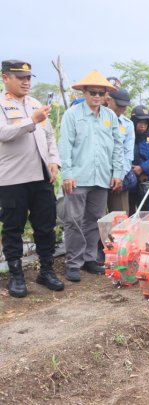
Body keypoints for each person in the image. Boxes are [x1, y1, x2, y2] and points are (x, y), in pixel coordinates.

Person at [0, 60, 65, 297]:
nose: (26, 82)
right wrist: (32, 121)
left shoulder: (36, 104)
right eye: (20, 77)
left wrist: (54, 161)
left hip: (41, 176)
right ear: (5, 77)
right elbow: (4, 134)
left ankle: (46, 270)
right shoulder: (1, 104)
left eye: (28, 78)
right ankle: (16, 275)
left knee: (45, 225)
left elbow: (49, 138)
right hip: (12, 179)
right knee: (13, 227)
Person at [58, 70, 124, 281]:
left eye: (100, 93)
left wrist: (118, 173)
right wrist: (66, 174)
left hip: (102, 177)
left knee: (95, 220)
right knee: (74, 221)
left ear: (106, 95)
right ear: (84, 92)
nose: (97, 96)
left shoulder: (110, 116)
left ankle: (89, 259)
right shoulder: (72, 115)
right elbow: (65, 146)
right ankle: (73, 262)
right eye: (92, 92)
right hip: (77, 177)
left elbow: (117, 147)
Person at [105, 88, 135, 213]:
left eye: (125, 106)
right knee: (95, 218)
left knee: (120, 218)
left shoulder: (127, 124)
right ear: (109, 100)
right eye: (119, 105)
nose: (122, 109)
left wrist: (119, 176)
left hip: (119, 179)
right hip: (98, 176)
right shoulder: (97, 118)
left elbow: (128, 153)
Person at [128, 105, 149, 216]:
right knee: (129, 214)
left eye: (145, 123)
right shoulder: (127, 135)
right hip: (129, 182)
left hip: (146, 182)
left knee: (145, 215)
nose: (142, 126)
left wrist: (143, 169)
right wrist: (133, 171)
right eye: (140, 123)